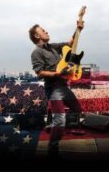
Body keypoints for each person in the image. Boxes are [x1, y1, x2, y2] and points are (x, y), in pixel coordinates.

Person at [29, 20, 84, 158]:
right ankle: (52, 148)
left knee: (77, 109)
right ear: (37, 36)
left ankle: (51, 124)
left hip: (64, 87)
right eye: (43, 30)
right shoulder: (37, 52)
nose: (46, 31)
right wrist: (57, 74)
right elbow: (40, 72)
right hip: (53, 89)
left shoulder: (53, 47)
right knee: (60, 121)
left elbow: (70, 43)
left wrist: (78, 29)